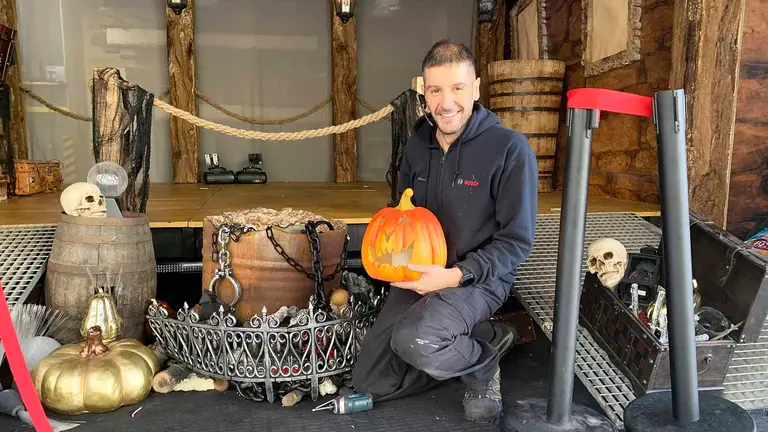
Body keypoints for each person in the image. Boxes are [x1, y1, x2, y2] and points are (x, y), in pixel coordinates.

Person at [351, 39, 538, 423]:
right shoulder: (416, 146)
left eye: (457, 88)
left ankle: (482, 365)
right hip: (420, 274)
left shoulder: (510, 149)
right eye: (435, 90)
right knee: (369, 381)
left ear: (476, 88)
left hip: (476, 279)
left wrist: (454, 275)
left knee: (415, 340)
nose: (446, 102)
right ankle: (474, 337)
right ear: (423, 90)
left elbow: (516, 242)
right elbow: (404, 216)